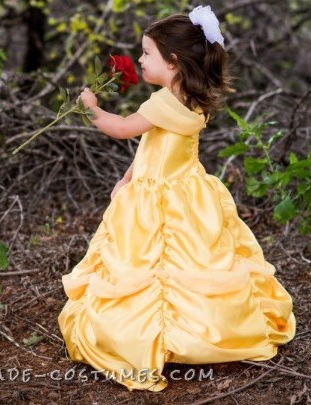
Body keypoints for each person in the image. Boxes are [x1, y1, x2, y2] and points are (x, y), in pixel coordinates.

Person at [58, 6, 296, 392]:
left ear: (173, 63)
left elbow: (121, 130)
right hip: (188, 191)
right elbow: (155, 148)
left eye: (147, 53)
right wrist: (128, 175)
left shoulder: (161, 104)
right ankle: (206, 328)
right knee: (202, 258)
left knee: (153, 265)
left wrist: (91, 109)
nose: (139, 59)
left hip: (159, 200)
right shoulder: (190, 100)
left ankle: (153, 338)